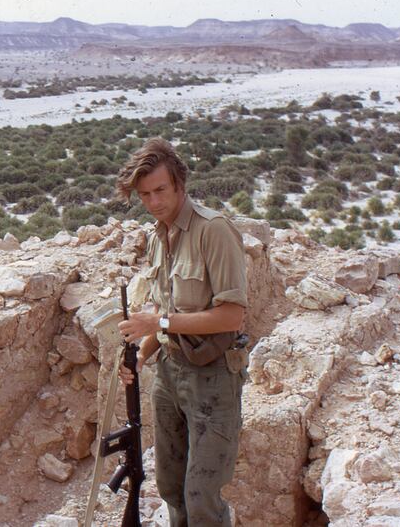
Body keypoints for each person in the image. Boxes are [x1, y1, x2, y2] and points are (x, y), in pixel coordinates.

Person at [115, 137, 248, 527]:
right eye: (145, 195)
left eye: (161, 190)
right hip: (170, 374)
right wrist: (141, 355)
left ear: (179, 184)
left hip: (213, 376)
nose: (154, 201)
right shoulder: (160, 236)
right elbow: (164, 306)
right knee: (171, 486)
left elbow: (231, 316)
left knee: (201, 496)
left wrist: (157, 324)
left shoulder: (214, 231)